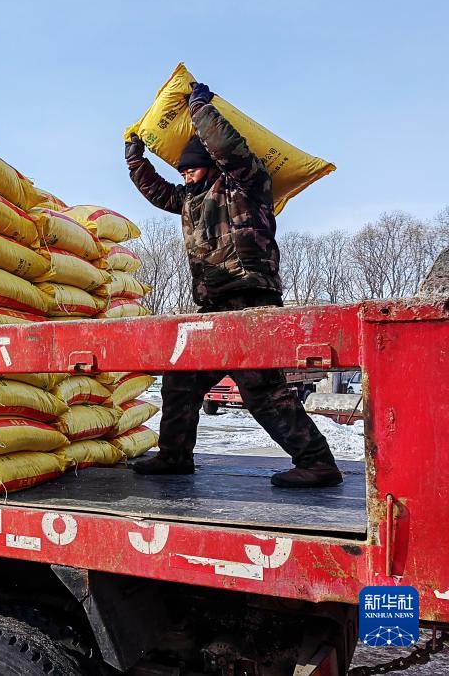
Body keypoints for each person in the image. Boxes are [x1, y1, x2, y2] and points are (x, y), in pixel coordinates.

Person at [124, 81, 342, 488]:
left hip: (250, 299)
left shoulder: (246, 184)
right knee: (182, 381)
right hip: (213, 305)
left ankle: (317, 462)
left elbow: (227, 147)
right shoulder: (189, 199)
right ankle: (174, 457)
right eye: (182, 169)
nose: (185, 174)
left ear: (210, 164)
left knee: (262, 389)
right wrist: (134, 156)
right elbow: (155, 191)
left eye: (190, 166)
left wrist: (200, 108)